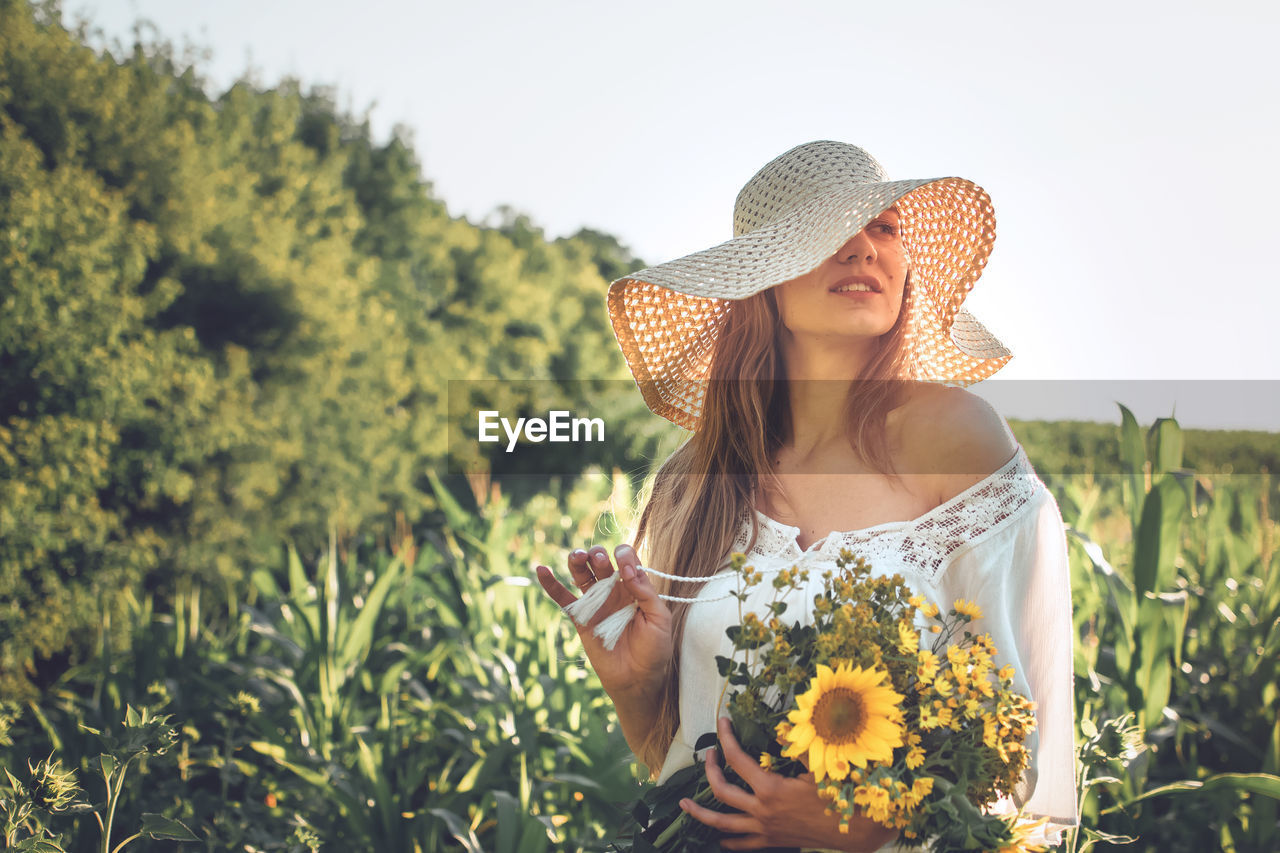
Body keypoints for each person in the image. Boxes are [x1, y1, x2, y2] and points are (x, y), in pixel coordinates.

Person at [536, 141, 1078, 852]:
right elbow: (684, 773)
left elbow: (1020, 747)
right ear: (762, 281)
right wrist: (638, 688)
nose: (863, 248)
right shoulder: (692, 484)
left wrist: (867, 828)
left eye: (884, 227)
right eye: (828, 231)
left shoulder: (959, 440)